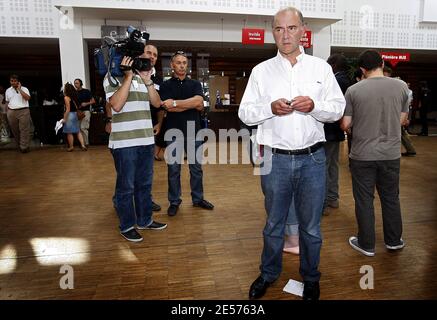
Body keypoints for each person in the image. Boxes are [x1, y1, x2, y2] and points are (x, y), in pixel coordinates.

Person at [238, 7, 345, 300]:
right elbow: (245, 113)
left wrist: (315, 106)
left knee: (311, 227)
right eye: (279, 29)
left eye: (291, 28)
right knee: (274, 223)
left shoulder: (320, 69)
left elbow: (337, 108)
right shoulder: (261, 71)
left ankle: (310, 277)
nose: (285, 35)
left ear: (303, 30)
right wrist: (269, 108)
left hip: (313, 158)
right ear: (273, 31)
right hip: (275, 159)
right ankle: (268, 274)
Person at [340, 49, 409, 257]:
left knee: (364, 200)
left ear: (362, 69)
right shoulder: (401, 86)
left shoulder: (353, 90)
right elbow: (402, 119)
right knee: (391, 198)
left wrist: (356, 127)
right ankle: (394, 240)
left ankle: (366, 244)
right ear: (382, 62)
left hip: (363, 154)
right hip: (390, 153)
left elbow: (345, 124)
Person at [104, 51, 167, 242]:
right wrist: (129, 76)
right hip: (124, 143)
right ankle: (127, 225)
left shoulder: (145, 77)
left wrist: (147, 80)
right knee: (126, 187)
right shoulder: (112, 76)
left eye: (152, 55)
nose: (148, 58)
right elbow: (116, 104)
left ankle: (145, 220)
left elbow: (157, 103)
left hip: (146, 141)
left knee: (145, 184)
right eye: (146, 54)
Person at [159, 50, 214, 217]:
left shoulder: (195, 84)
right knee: (173, 169)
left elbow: (199, 103)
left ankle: (198, 199)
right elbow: (166, 107)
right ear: (172, 65)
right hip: (173, 133)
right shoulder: (166, 85)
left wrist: (175, 103)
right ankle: (174, 201)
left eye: (184, 62)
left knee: (196, 169)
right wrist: (187, 104)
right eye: (178, 62)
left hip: (193, 132)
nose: (182, 65)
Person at [323, 53, 353, 214]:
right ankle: (333, 198)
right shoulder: (346, 80)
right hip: (336, 131)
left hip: (328, 130)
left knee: (325, 166)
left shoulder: (336, 81)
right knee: (332, 165)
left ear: (333, 65)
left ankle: (326, 201)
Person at [5, 75, 32, 153]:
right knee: (15, 130)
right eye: (11, 81)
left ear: (18, 81)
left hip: (23, 111)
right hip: (11, 112)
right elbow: (7, 102)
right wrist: (7, 112)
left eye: (15, 81)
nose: (13, 82)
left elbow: (27, 98)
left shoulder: (24, 89)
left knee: (24, 130)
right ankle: (20, 145)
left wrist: (19, 89)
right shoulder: (8, 90)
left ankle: (24, 147)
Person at [62, 83, 87, 152]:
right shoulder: (75, 96)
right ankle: (83, 145)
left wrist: (64, 118)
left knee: (69, 132)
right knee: (78, 131)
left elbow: (68, 109)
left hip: (70, 115)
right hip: (75, 114)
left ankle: (71, 147)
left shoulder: (66, 97)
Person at [74, 78, 95, 146]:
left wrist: (86, 103)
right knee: (79, 128)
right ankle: (82, 144)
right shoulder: (74, 93)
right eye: (75, 83)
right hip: (78, 112)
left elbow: (93, 101)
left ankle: (86, 143)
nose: (75, 84)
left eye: (77, 83)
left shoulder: (86, 91)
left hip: (86, 111)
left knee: (83, 127)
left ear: (81, 84)